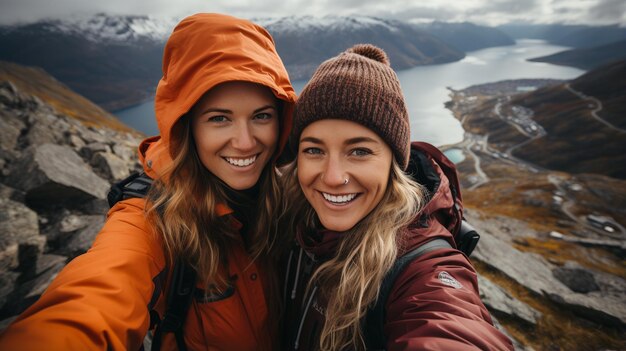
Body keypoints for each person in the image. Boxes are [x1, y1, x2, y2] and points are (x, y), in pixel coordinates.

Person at [0, 13, 296, 350]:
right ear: (187, 127)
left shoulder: (298, 194)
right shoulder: (153, 217)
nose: (245, 142)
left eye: (261, 115)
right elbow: (96, 297)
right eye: (219, 118)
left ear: (281, 118)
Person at [280, 44, 514, 350]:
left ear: (394, 164)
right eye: (314, 150)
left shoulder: (419, 267)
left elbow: (450, 328)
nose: (333, 177)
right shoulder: (289, 217)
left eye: (360, 151)